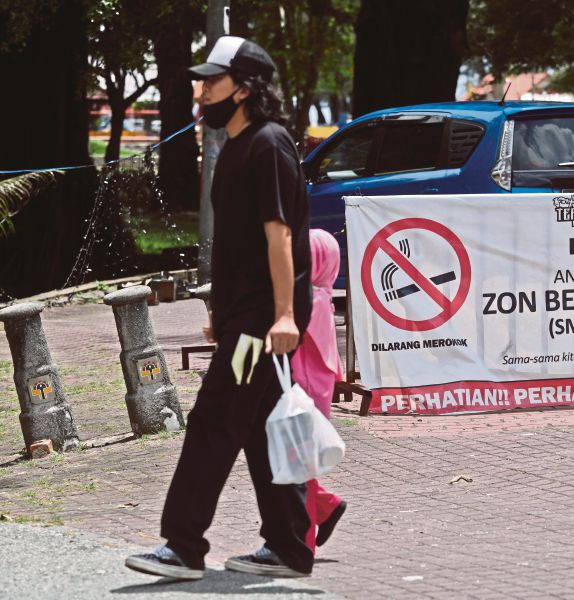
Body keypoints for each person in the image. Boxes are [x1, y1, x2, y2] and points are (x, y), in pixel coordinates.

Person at [125, 36, 314, 580]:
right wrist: (219, 308)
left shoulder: (269, 144)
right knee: (260, 428)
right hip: (243, 317)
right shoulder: (236, 147)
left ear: (246, 88)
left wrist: (282, 316)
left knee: (212, 423)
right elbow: (237, 245)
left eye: (211, 81)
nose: (200, 91)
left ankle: (183, 546)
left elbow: (279, 237)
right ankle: (288, 547)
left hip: (260, 324)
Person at [290, 229, 347, 551]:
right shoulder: (322, 295)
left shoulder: (306, 300)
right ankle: (324, 507)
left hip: (302, 387)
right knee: (297, 458)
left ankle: (306, 534)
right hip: (316, 385)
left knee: (296, 461)